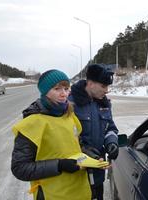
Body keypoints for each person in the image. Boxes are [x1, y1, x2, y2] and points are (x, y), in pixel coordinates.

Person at [11, 69, 91, 200]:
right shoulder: (33, 123)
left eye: (66, 88)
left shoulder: (69, 116)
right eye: (57, 89)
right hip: (51, 194)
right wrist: (59, 165)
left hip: (78, 191)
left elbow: (77, 146)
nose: (63, 93)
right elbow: (20, 168)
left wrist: (91, 156)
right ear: (45, 91)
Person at [69, 64, 119, 200]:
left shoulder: (104, 103)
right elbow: (65, 138)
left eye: (108, 86)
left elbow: (110, 127)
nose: (107, 90)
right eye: (103, 86)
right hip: (77, 173)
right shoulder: (70, 104)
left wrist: (111, 142)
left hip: (97, 169)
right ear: (90, 83)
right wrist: (84, 151)